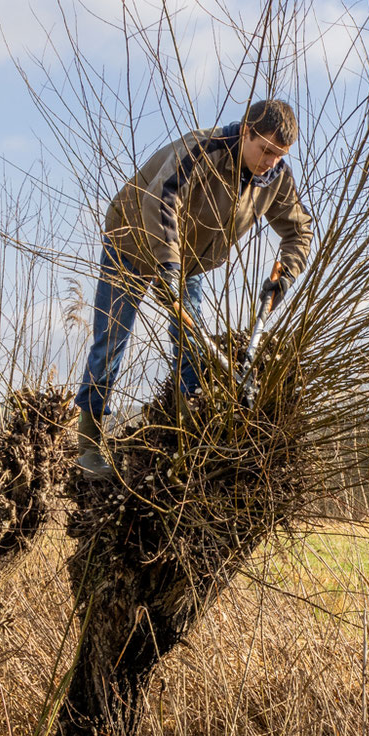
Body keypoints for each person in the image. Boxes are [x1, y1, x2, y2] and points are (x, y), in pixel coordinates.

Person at [74, 99, 313, 476]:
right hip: (132, 238)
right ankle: (88, 449)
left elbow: (299, 230)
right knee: (112, 340)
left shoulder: (276, 177)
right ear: (246, 131)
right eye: (265, 150)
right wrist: (167, 267)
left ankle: (189, 441)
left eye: (279, 155)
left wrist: (283, 277)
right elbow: (161, 200)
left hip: (187, 259)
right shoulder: (204, 150)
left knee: (191, 342)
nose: (269, 161)